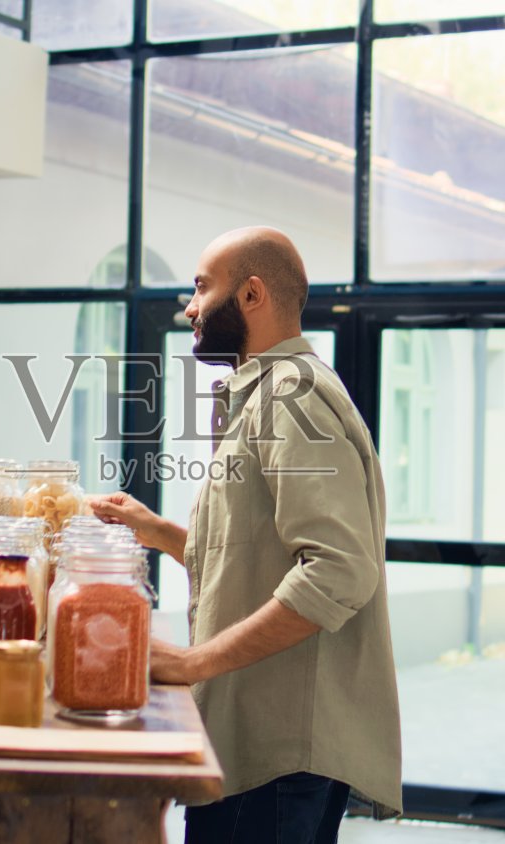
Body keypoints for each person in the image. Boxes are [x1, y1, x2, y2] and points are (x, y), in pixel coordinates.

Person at [91, 226, 401, 843]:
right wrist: (158, 533)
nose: (189, 307)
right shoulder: (268, 393)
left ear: (252, 295)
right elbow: (262, 557)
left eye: (203, 288)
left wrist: (192, 662)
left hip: (278, 751)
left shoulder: (292, 395)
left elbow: (338, 570)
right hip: (261, 746)